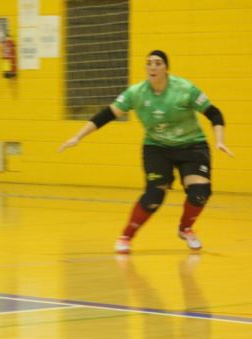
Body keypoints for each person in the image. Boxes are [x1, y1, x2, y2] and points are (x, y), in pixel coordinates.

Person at [59, 50, 234, 254]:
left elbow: (214, 113)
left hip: (192, 145)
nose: (152, 67)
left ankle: (186, 228)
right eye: (149, 63)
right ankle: (126, 236)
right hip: (157, 147)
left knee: (200, 193)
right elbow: (106, 114)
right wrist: (78, 136)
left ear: (166, 68)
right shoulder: (137, 93)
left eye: (158, 63)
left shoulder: (184, 89)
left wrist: (219, 140)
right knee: (153, 196)